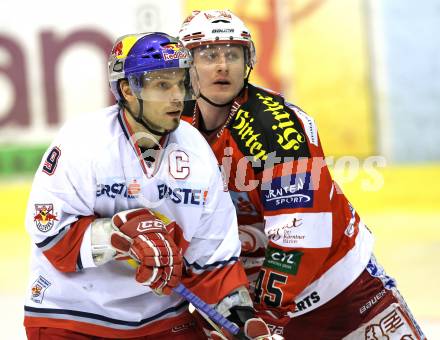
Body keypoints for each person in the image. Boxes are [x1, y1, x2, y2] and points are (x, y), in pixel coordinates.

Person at [178, 9, 426, 339]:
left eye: (233, 54)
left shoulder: (273, 127)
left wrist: (265, 315)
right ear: (186, 64)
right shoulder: (175, 123)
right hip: (247, 295)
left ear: (247, 61)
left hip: (341, 293)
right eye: (209, 55)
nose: (222, 65)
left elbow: (301, 234)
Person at [23, 32, 271, 340]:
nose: (177, 96)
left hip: (164, 321)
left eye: (181, 82)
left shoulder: (195, 149)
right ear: (128, 90)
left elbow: (214, 262)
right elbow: (50, 232)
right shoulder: (83, 141)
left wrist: (242, 321)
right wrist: (120, 234)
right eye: (162, 85)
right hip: (72, 317)